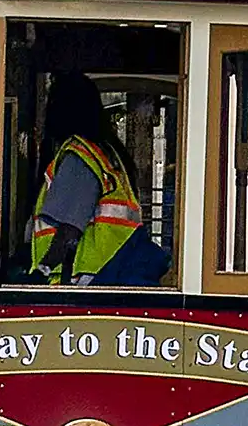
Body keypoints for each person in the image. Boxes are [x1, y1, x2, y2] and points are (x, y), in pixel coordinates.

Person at [30, 79, 168, 285]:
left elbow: (69, 232)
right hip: (111, 275)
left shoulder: (79, 158)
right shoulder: (110, 155)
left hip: (85, 282)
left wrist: (42, 270)